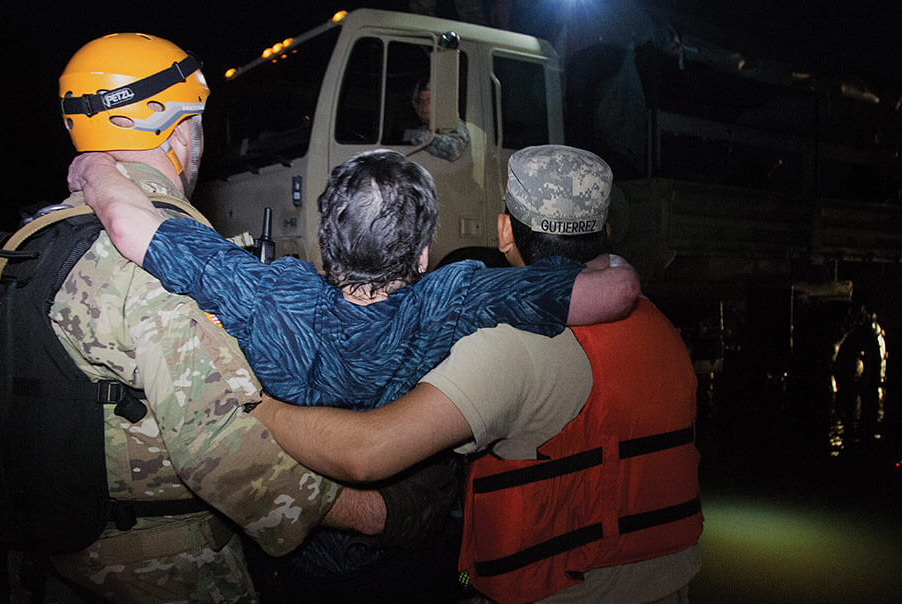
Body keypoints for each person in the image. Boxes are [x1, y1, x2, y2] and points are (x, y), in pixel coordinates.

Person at [0, 33, 393, 604]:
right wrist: (374, 513)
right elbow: (225, 453)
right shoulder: (162, 262)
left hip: (64, 587)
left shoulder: (35, 234)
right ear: (179, 132)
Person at [253, 145, 722, 604]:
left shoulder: (513, 346)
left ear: (504, 230)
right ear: (606, 226)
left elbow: (368, 450)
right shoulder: (656, 322)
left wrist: (254, 408)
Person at [69, 148, 639, 410]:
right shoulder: (451, 297)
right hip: (403, 567)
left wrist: (92, 163)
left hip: (302, 566)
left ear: (326, 242)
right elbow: (614, 292)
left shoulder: (271, 294)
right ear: (421, 255)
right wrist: (619, 261)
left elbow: (127, 221)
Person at [402, 78, 470, 161]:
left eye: (429, 100)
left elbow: (454, 150)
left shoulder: (453, 124)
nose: (424, 105)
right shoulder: (423, 128)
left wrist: (417, 136)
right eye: (421, 101)